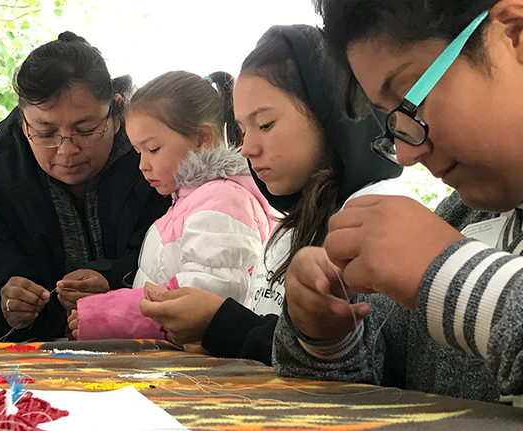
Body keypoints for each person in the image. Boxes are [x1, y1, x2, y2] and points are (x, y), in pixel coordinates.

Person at [273, 0, 523, 403]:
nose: (406, 154)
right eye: (390, 119)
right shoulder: (460, 220)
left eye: (413, 100)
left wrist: (447, 273)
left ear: (513, 33)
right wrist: (327, 334)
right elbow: (373, 386)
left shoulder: (447, 252)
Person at [137, 25, 408, 364]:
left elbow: (363, 368)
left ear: (330, 114)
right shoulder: (289, 227)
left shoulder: (376, 218)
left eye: (265, 125)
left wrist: (221, 324)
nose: (247, 147)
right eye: (242, 129)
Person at [0, 32, 170, 341]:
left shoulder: (158, 163)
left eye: (85, 130)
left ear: (115, 113)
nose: (66, 150)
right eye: (45, 134)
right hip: (42, 363)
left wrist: (113, 279)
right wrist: (10, 310)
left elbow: (182, 268)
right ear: (23, 121)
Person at [68, 70, 278, 340]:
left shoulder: (222, 202)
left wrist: (105, 316)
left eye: (153, 149)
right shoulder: (188, 203)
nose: (143, 165)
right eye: (138, 152)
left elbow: (201, 297)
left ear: (202, 139)